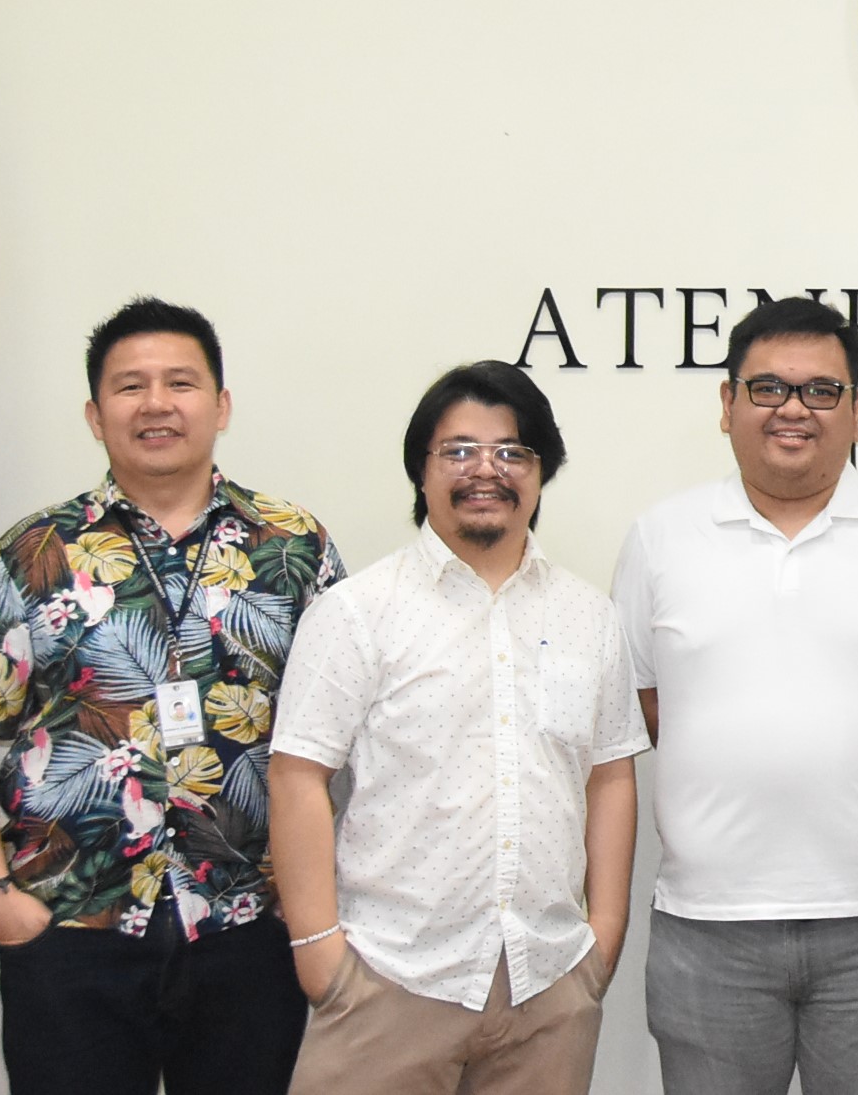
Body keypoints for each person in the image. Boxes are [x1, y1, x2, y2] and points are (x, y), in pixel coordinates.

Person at [0, 297, 344, 1095]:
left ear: (220, 405)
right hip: (74, 930)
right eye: (130, 386)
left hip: (246, 929)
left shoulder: (294, 547)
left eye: (180, 383)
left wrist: (310, 906)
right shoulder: (38, 550)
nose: (156, 404)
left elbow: (345, 735)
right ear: (94, 413)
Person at [269, 361, 646, 1095]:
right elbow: (297, 775)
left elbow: (610, 775)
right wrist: (319, 950)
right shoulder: (357, 613)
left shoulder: (588, 617)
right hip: (389, 979)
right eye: (459, 450)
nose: (487, 471)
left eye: (512, 452)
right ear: (421, 470)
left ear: (541, 473)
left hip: (549, 982)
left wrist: (603, 934)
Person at [613, 297, 858, 1095]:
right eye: (767, 389)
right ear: (727, 405)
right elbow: (645, 702)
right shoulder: (663, 536)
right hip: (708, 929)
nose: (794, 409)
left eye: (821, 391)